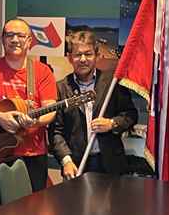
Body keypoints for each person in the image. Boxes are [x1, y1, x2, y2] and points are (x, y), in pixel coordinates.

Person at [0, 18, 58, 192]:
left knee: (35, 208)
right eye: (9, 35)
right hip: (1, 151)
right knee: (5, 211)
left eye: (20, 35)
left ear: (29, 41)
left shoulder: (42, 71)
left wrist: (35, 122)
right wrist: (0, 117)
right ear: (2, 40)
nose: (15, 40)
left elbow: (50, 110)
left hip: (34, 152)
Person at [50, 29, 138, 178]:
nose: (83, 59)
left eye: (88, 54)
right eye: (78, 55)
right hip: (76, 166)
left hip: (111, 165)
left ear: (97, 56)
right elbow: (56, 132)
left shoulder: (112, 83)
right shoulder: (61, 88)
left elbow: (131, 115)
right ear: (70, 58)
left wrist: (112, 123)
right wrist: (66, 161)